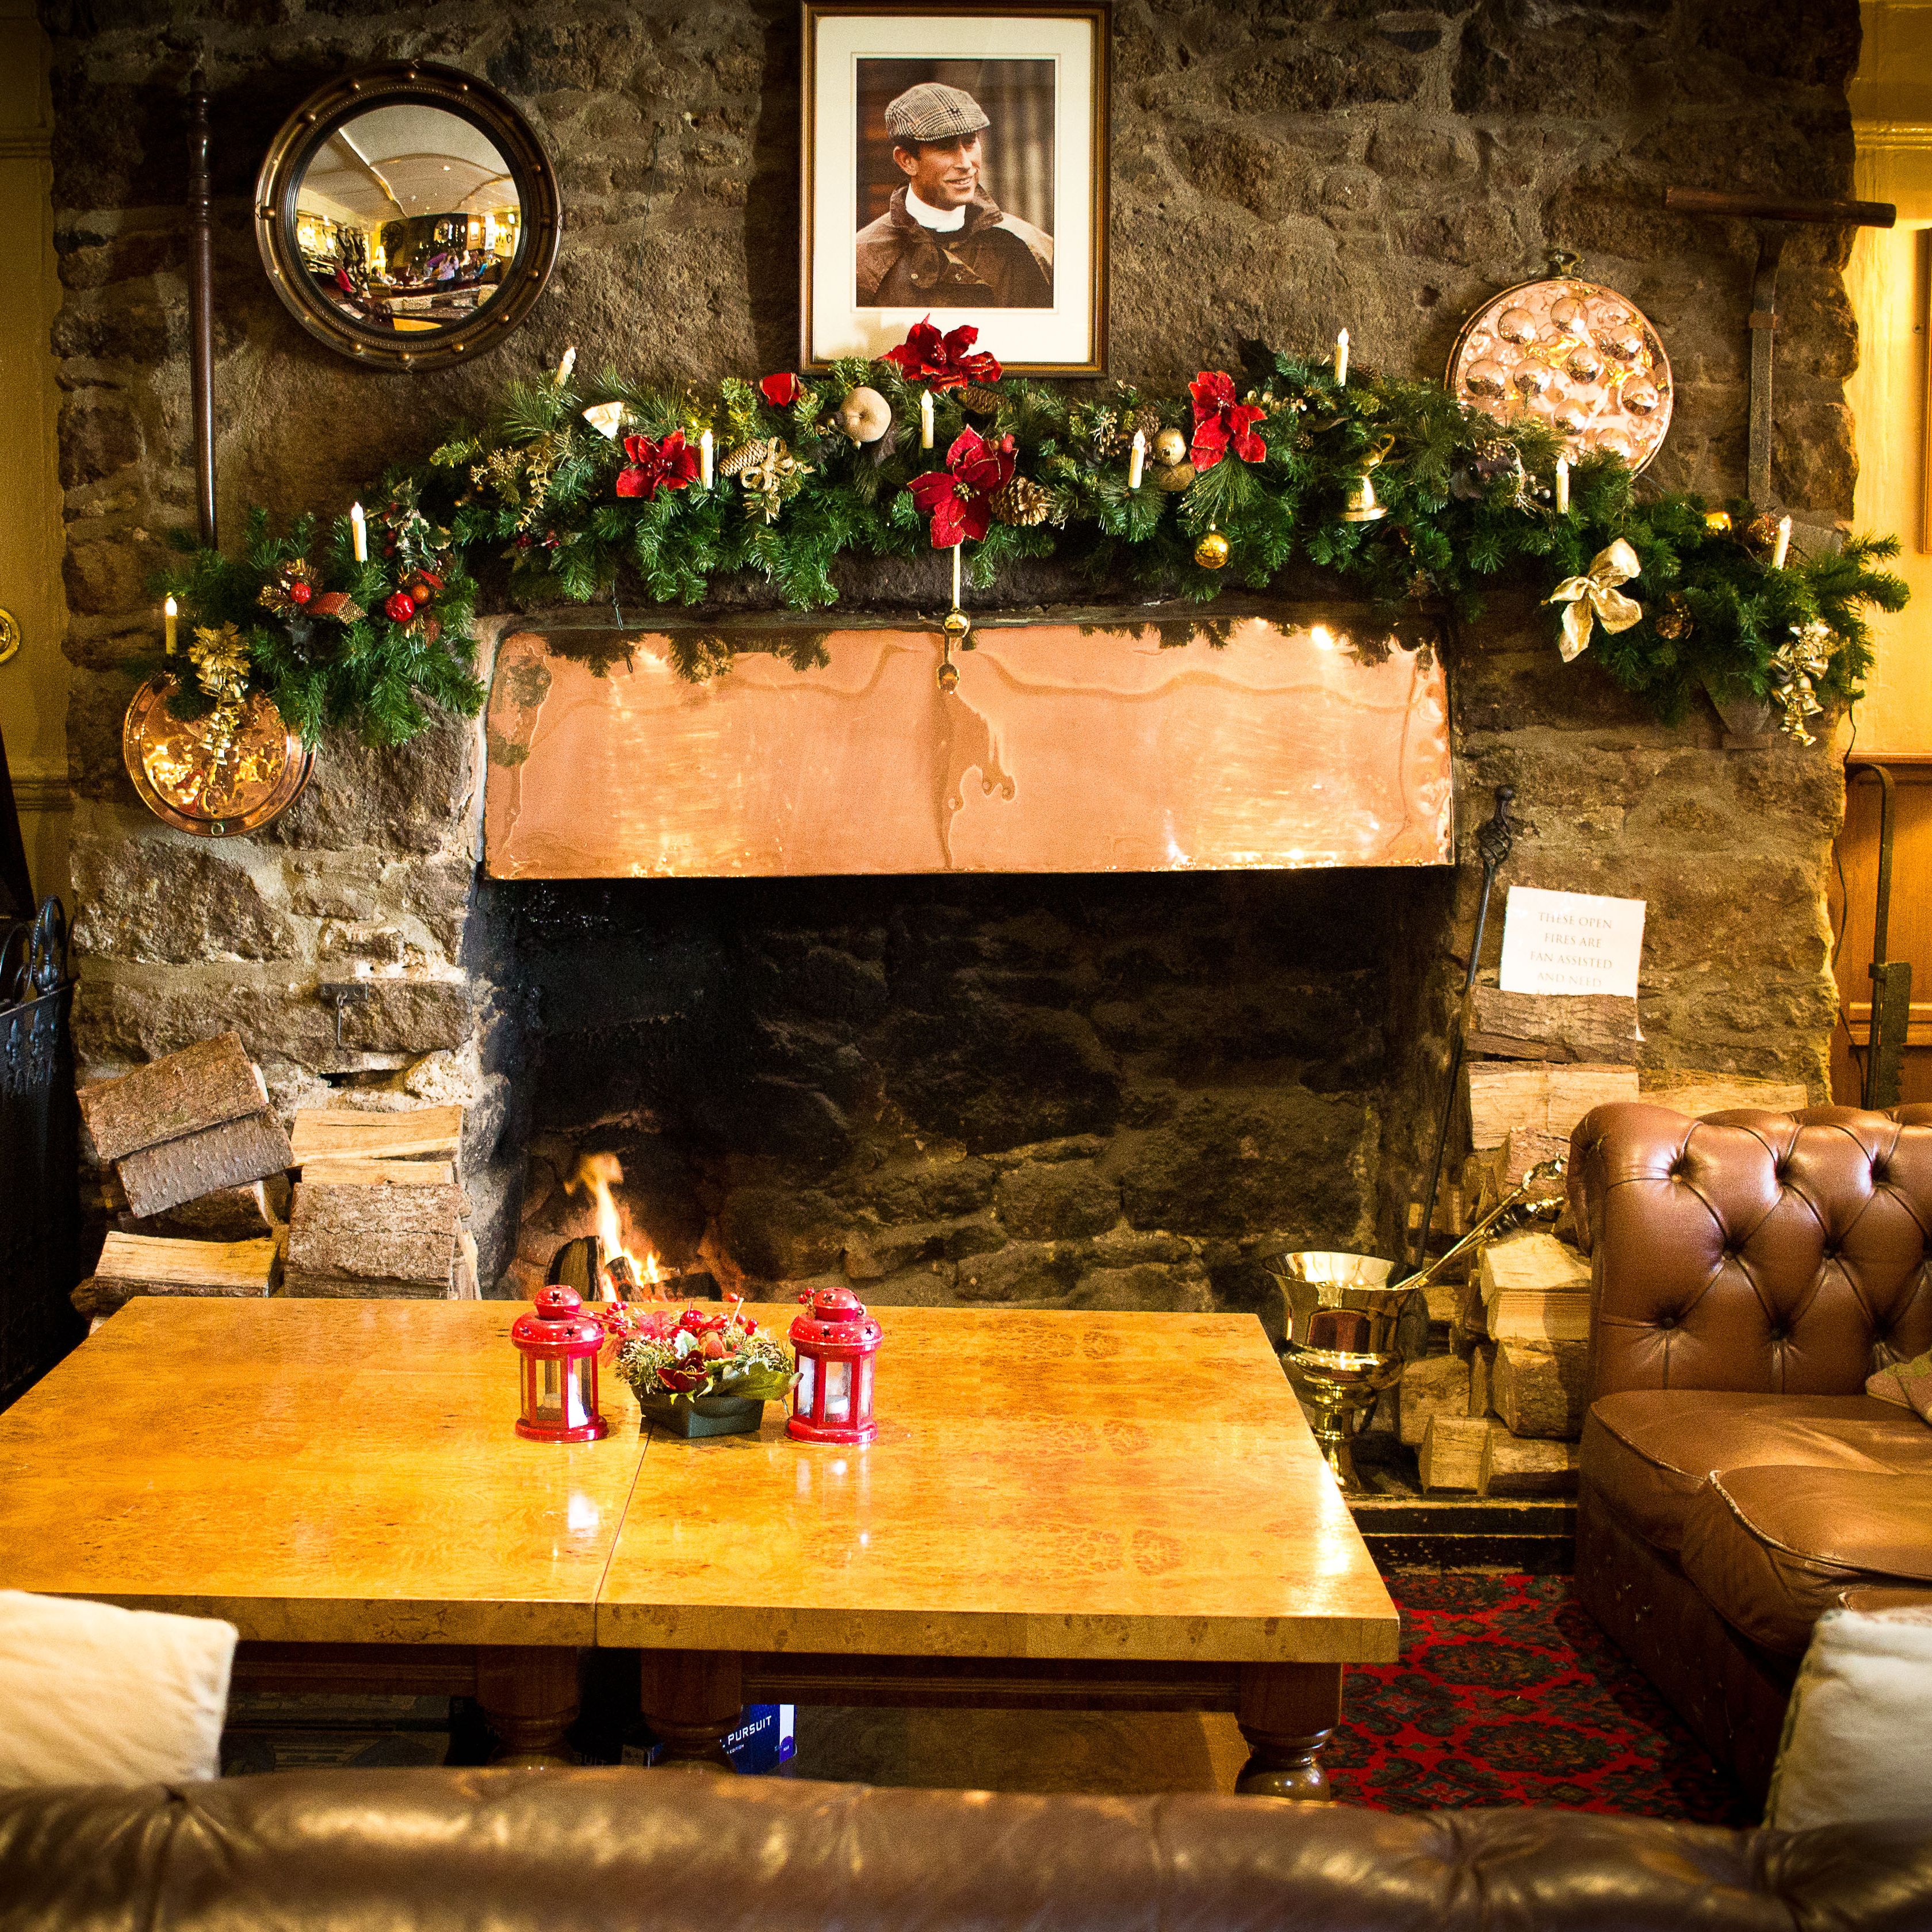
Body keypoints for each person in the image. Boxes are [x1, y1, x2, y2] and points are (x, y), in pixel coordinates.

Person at [855, 81, 1053, 309]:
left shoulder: (1028, 248)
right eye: (945, 147)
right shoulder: (864, 260)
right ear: (907, 161)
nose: (966, 164)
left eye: (970, 142)